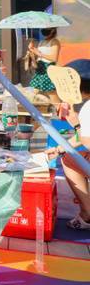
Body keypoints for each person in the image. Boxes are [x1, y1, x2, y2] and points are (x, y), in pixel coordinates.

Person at [53, 59, 90, 231]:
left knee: (69, 160)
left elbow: (87, 141)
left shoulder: (88, 108)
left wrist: (76, 124)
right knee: (68, 156)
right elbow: (82, 136)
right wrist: (59, 148)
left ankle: (87, 212)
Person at [27, 28, 61, 103]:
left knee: (52, 95)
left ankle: (60, 112)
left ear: (52, 30)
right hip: (39, 70)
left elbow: (54, 58)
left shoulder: (55, 42)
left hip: (48, 70)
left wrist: (39, 53)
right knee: (34, 95)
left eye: (46, 29)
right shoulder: (41, 42)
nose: (44, 31)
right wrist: (32, 51)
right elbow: (37, 58)